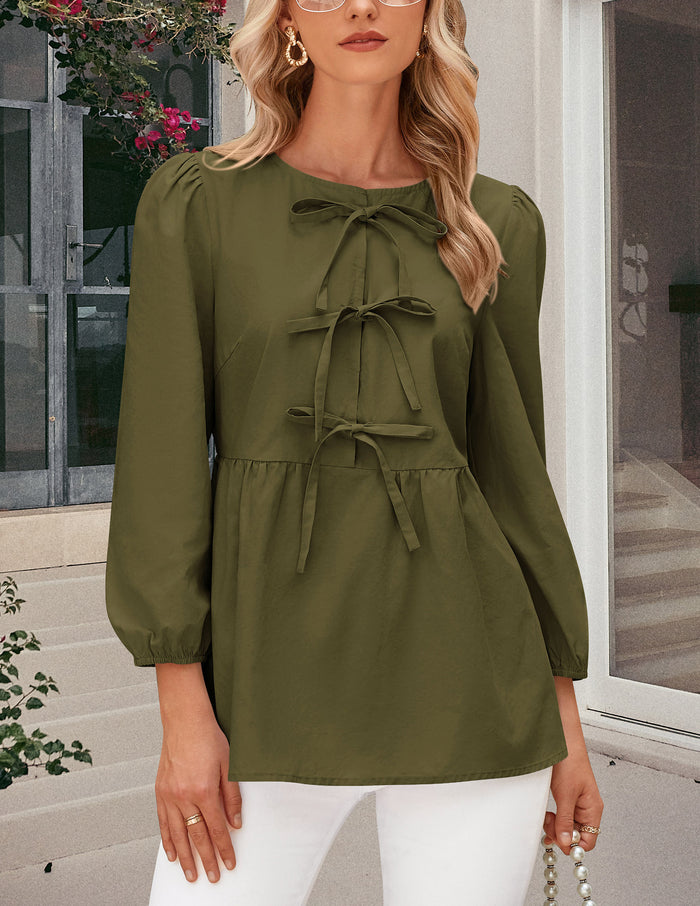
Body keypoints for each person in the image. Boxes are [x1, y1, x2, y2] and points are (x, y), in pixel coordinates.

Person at [104, 0, 605, 901]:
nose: (362, 7)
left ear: (431, 16)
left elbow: (514, 480)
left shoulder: (493, 221)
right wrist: (182, 708)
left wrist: (565, 719)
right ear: (288, 19)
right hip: (259, 692)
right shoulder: (199, 202)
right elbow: (161, 464)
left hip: (475, 690)